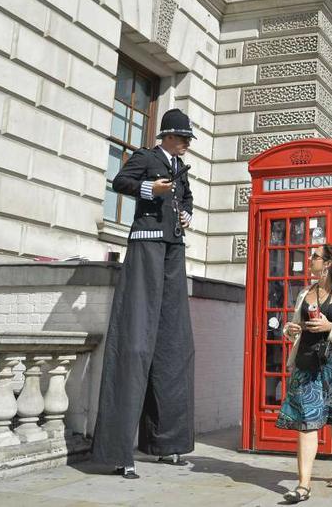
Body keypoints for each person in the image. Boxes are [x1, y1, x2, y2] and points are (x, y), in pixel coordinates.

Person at [91, 108, 196, 479]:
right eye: (181, 137)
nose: (185, 143)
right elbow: (120, 183)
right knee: (135, 344)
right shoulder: (146, 158)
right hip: (148, 244)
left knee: (174, 346)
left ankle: (168, 444)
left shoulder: (180, 167)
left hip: (174, 249)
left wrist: (186, 214)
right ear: (166, 135)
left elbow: (188, 198)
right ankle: (120, 451)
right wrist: (152, 189)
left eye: (187, 138)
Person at [277, 244, 332, 503]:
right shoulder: (306, 292)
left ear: (327, 263)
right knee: (307, 422)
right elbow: (295, 323)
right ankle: (303, 485)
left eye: (314, 257)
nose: (309, 260)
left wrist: (331, 326)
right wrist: (290, 330)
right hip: (306, 364)